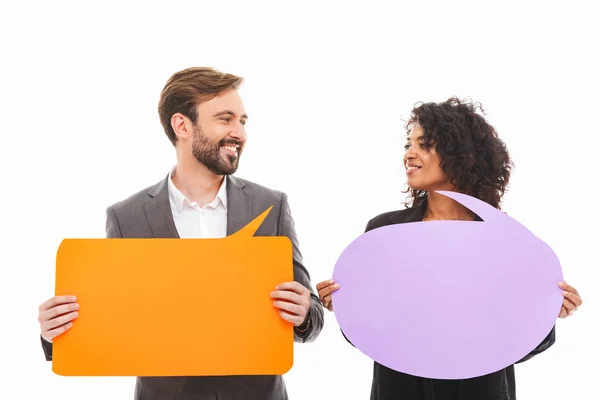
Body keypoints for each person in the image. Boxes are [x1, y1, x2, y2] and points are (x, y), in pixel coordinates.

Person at [37, 66, 324, 400]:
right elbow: (114, 320)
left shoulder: (271, 204)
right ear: (182, 125)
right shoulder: (127, 217)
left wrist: (304, 313)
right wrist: (54, 332)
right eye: (225, 119)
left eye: (242, 121)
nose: (240, 133)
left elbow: (312, 316)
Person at [316, 97, 583, 400]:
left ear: (462, 155)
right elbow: (370, 338)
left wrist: (548, 312)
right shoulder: (384, 232)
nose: (410, 154)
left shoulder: (507, 239)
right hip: (400, 390)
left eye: (424, 144)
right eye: (408, 144)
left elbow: (519, 343)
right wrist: (350, 307)